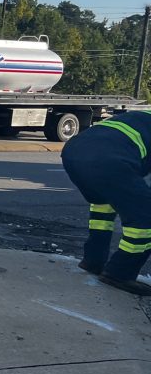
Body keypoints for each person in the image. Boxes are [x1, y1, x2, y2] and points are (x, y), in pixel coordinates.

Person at [61, 110, 151, 295]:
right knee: (145, 219)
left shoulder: (141, 115)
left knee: (103, 205)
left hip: (74, 151)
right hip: (111, 158)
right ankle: (120, 273)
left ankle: (93, 260)